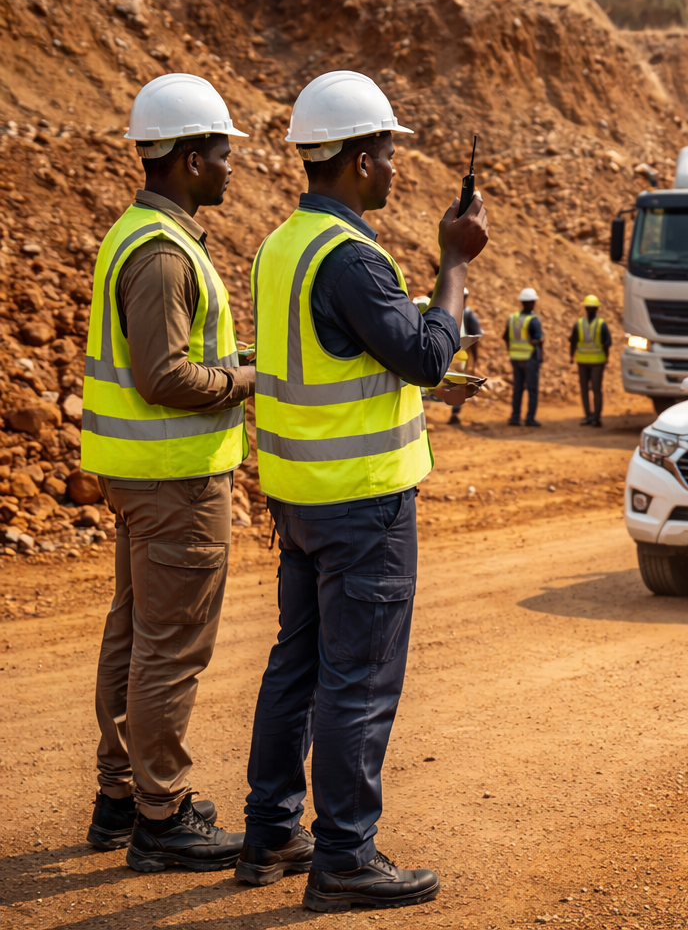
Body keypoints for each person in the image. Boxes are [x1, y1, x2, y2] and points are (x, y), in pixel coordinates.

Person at [242, 71, 489, 910]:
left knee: (297, 665)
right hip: (362, 503)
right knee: (358, 678)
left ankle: (272, 830)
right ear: (354, 159)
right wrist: (454, 263)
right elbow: (421, 355)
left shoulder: (281, 246)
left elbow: (347, 356)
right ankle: (344, 855)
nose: (394, 167)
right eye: (386, 151)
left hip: (299, 497)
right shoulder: (350, 257)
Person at [82, 74, 252, 871]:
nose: (230, 167)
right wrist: (249, 381)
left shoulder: (143, 233)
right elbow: (163, 377)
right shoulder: (160, 253)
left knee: (136, 631)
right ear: (189, 158)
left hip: (141, 476)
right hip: (176, 482)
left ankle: (123, 796)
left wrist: (233, 360)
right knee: (171, 645)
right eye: (222, 152)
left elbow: (173, 360)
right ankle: (162, 814)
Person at [571, 293, 612, 427]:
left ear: (596, 309)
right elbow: (574, 341)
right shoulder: (579, 323)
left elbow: (606, 343)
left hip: (597, 361)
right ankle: (588, 415)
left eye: (592, 307)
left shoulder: (601, 324)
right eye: (588, 307)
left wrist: (606, 358)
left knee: (596, 389)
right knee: (585, 389)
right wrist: (571, 356)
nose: (590, 310)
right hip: (583, 360)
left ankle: (596, 416)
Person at [505, 287, 543, 427]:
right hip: (530, 358)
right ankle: (530, 418)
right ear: (532, 302)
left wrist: (510, 350)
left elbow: (505, 337)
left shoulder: (513, 318)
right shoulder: (534, 321)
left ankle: (515, 417)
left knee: (518, 389)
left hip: (515, 357)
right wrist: (541, 348)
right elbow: (537, 340)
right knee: (532, 389)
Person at [448, 287, 482, 426]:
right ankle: (454, 411)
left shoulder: (449, 312)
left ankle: (454, 411)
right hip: (458, 357)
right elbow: (475, 340)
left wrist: (474, 361)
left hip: (452, 357)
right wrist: (475, 359)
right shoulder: (467, 315)